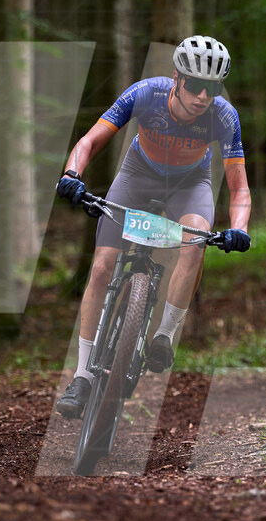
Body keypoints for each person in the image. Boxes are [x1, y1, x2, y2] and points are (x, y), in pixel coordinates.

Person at [54, 35, 251, 419]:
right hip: (137, 176)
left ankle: (163, 336)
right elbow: (90, 140)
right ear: (176, 78)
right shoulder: (145, 94)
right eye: (194, 85)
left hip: (189, 184)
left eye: (212, 88)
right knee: (101, 267)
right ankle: (81, 376)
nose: (202, 96)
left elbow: (239, 186)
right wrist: (72, 174)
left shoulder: (223, 116)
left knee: (196, 242)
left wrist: (239, 227)